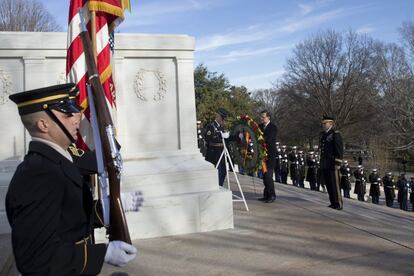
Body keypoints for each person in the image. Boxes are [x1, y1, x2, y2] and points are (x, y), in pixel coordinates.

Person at [5, 83, 137, 275]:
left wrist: (105, 210)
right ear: (44, 125)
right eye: (68, 113)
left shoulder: (56, 163)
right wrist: (101, 254)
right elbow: (35, 259)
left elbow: (67, 217)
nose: (78, 118)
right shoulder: (38, 174)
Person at [319, 115, 344, 210]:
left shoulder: (335, 134)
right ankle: (332, 202)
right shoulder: (323, 134)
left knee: (335, 184)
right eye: (323, 123)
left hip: (333, 163)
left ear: (331, 123)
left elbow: (339, 149)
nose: (324, 125)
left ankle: (338, 203)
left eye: (325, 123)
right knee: (329, 184)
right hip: (325, 163)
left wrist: (338, 163)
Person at [258, 110, 277, 203]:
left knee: (268, 176)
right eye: (261, 117)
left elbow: (269, 139)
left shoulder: (273, 127)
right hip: (262, 154)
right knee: (265, 176)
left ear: (268, 117)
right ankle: (266, 195)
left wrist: (260, 140)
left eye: (263, 117)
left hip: (270, 155)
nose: (262, 118)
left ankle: (272, 195)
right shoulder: (260, 126)